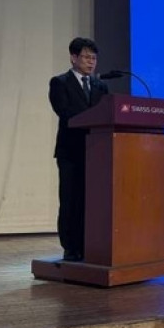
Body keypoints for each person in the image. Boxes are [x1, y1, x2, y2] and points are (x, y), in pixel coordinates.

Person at [49, 37, 109, 261]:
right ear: (73, 58)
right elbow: (64, 112)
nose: (91, 62)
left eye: (94, 58)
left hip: (96, 152)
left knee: (91, 201)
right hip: (71, 152)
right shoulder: (60, 83)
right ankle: (71, 246)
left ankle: (89, 244)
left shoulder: (101, 86)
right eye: (86, 57)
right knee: (70, 200)